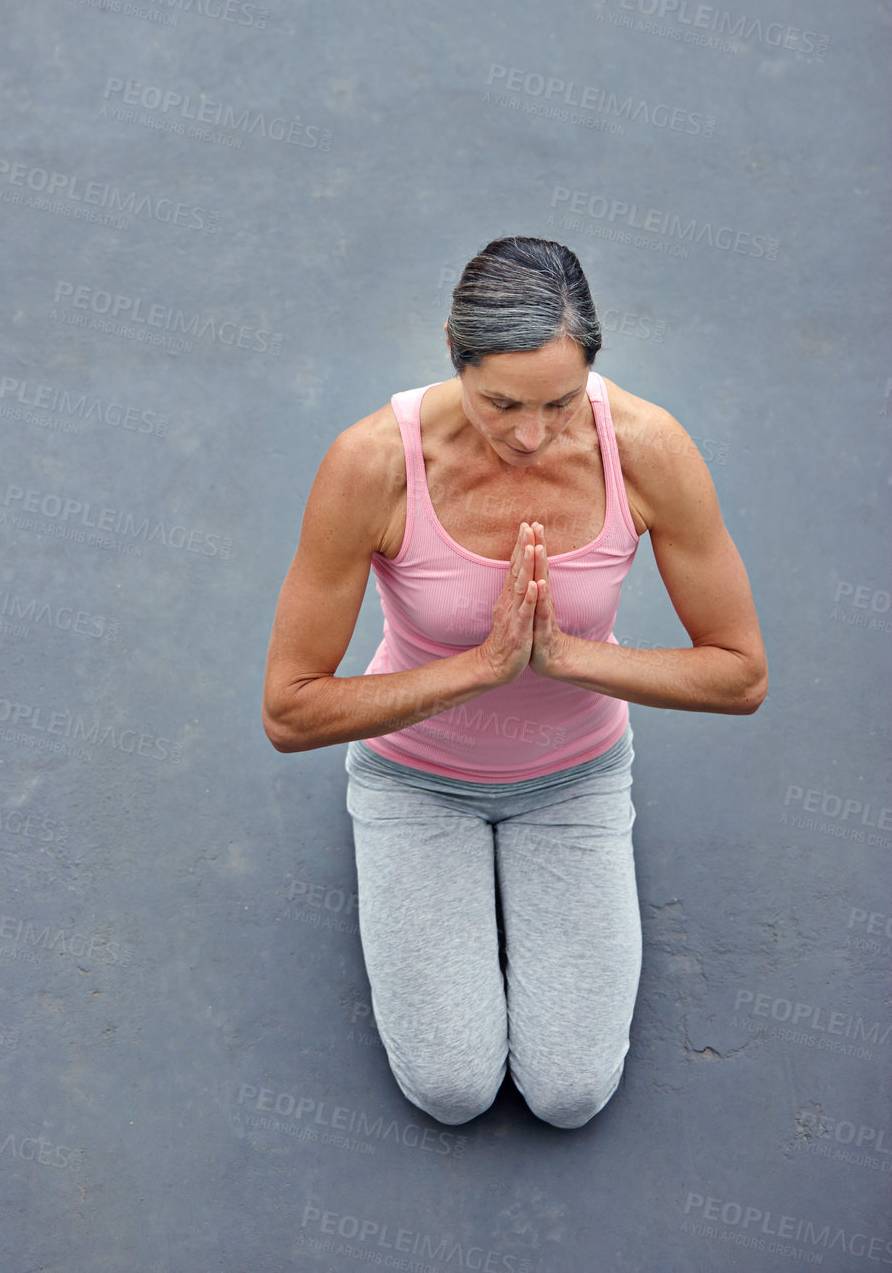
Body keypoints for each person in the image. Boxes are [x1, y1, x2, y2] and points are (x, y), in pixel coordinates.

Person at [261, 236, 767, 1130]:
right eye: (501, 402)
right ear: (454, 350)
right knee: (452, 1091)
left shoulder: (649, 449)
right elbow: (291, 710)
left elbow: (740, 674)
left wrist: (566, 657)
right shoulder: (371, 463)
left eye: (562, 404)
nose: (532, 436)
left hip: (577, 779)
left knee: (571, 1096)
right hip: (414, 779)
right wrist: (482, 669)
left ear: (593, 374)